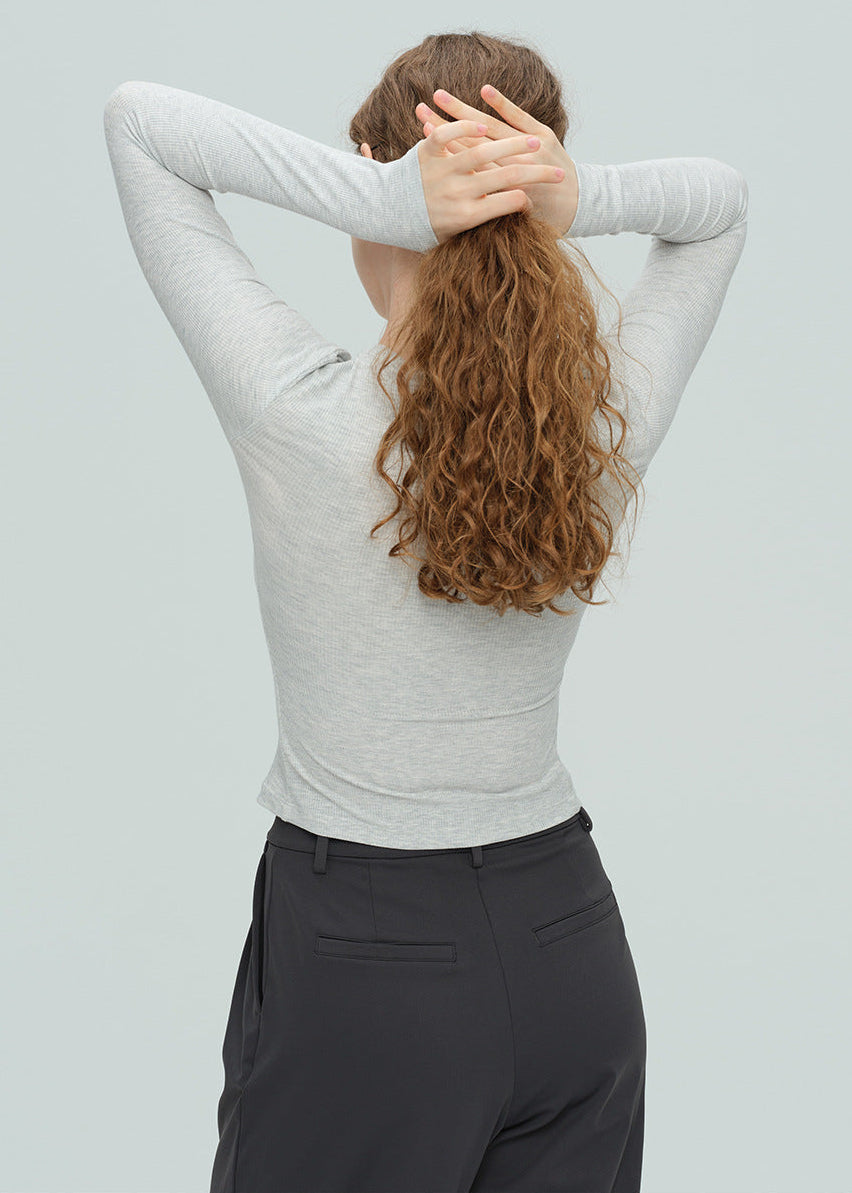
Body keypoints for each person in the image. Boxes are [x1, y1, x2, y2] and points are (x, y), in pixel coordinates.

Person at [103, 28, 748, 1193]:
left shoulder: (299, 411)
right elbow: (718, 206)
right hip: (572, 949)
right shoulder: (597, 427)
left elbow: (139, 122)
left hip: (364, 963)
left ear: (379, 179)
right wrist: (574, 195)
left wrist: (382, 200)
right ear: (541, 192)